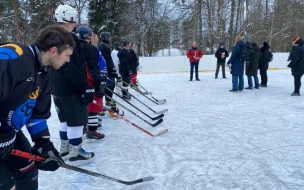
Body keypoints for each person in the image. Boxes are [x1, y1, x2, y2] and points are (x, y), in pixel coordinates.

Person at [0, 24, 74, 190]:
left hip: (8, 134)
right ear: (54, 50)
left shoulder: (46, 75)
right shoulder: (15, 55)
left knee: (28, 169)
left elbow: (37, 115)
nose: (68, 60)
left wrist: (43, 144)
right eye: (67, 55)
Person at [53, 4, 95, 165]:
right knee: (76, 120)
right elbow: (72, 67)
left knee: (65, 120)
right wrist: (85, 86)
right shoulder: (69, 38)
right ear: (69, 19)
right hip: (70, 87)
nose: (75, 22)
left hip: (56, 88)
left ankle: (65, 148)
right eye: (73, 19)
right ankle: (75, 151)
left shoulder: (52, 36)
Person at [77, 26, 105, 140]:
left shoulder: (74, 47)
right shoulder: (90, 48)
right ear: (87, 36)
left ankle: (84, 126)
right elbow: (93, 68)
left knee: (83, 103)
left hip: (78, 80)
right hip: (90, 80)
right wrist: (99, 82)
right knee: (93, 105)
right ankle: (92, 130)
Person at [98, 32, 118, 107]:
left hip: (107, 69)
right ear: (106, 38)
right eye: (109, 37)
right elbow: (107, 60)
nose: (110, 39)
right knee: (109, 85)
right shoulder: (103, 47)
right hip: (107, 71)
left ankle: (108, 99)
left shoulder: (104, 46)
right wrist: (112, 69)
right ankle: (108, 100)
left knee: (111, 84)